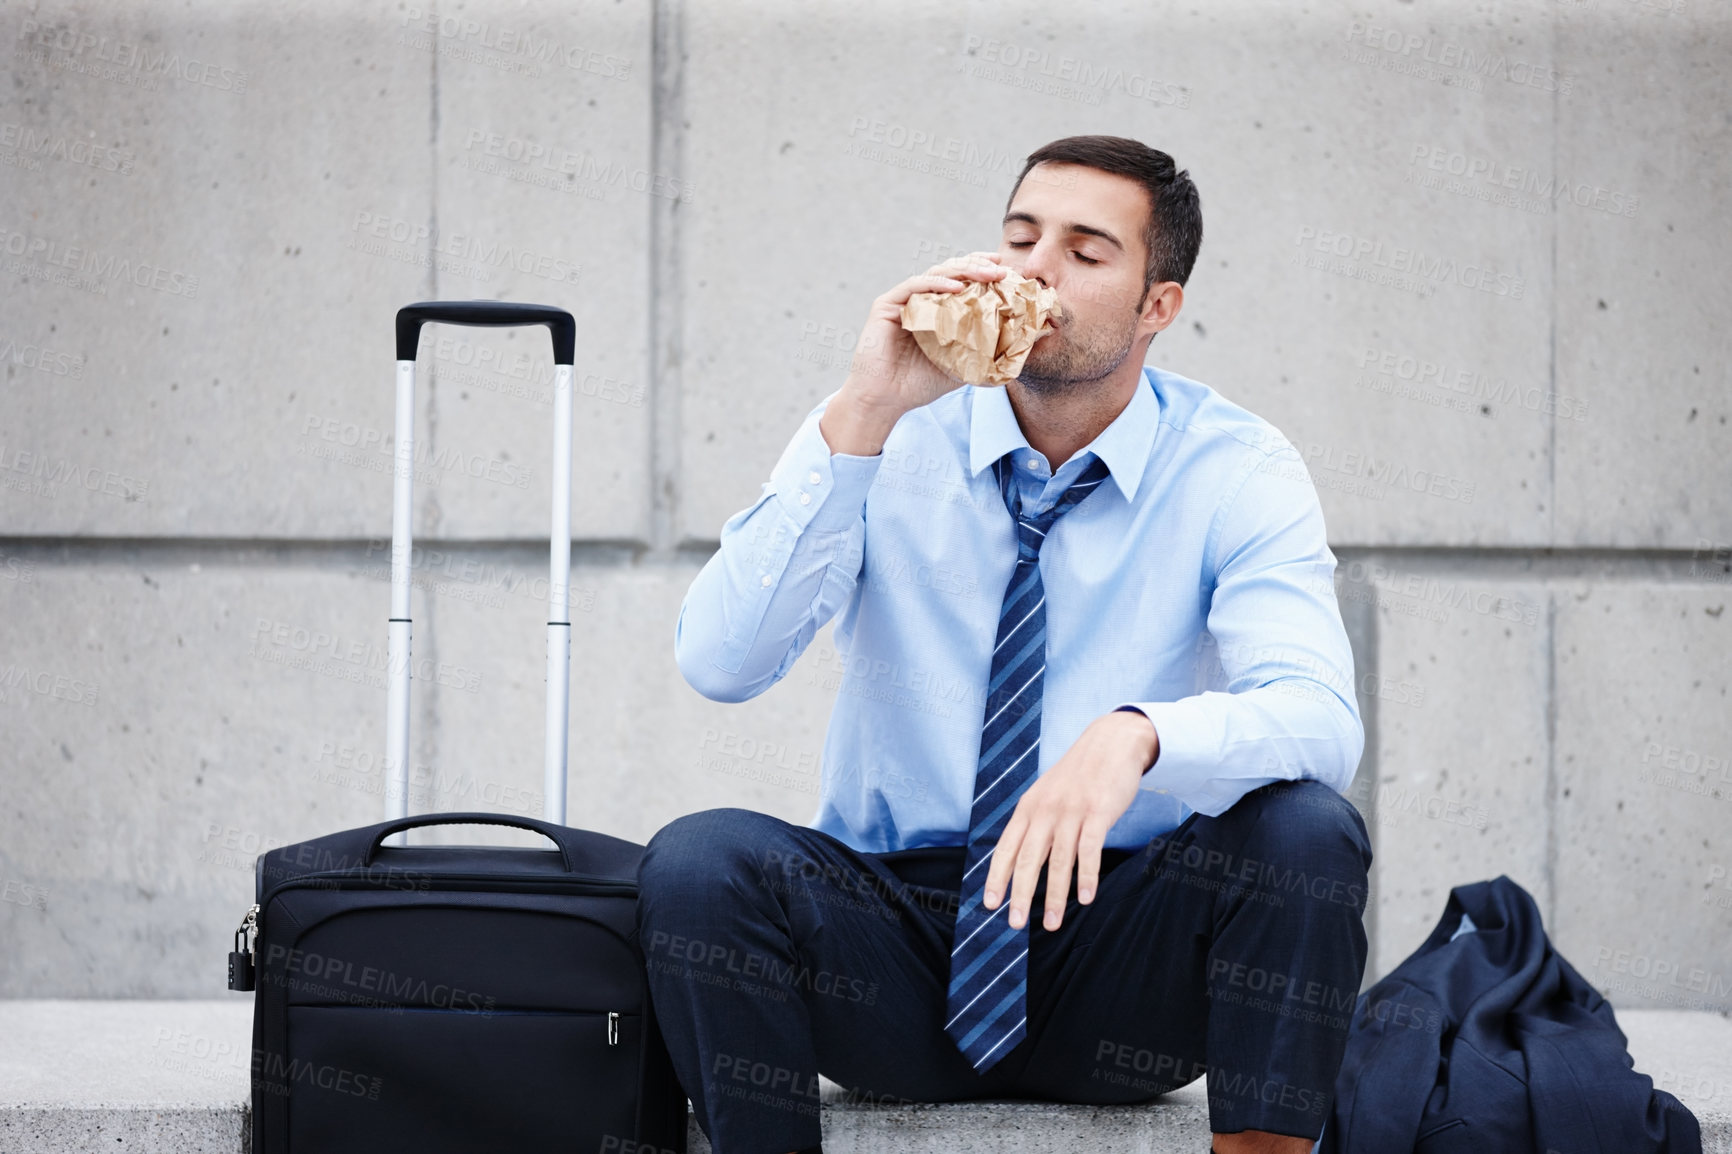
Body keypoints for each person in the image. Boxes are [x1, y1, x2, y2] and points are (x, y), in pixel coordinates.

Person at [642, 134, 1372, 1154]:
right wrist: (863, 410)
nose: (1034, 268)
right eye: (1020, 237)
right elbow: (720, 661)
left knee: (1304, 828)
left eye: (1084, 250)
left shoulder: (1234, 465)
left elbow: (1318, 716)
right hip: (895, 940)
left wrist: (1138, 735)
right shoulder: (882, 433)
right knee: (699, 860)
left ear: (1156, 303)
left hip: (1117, 953)